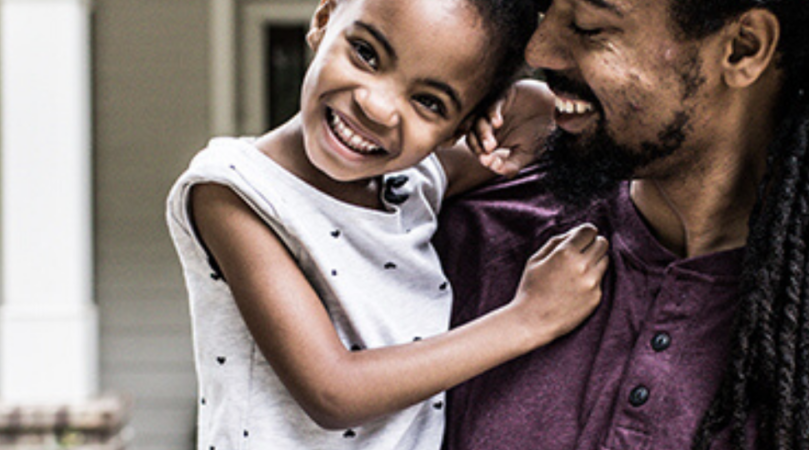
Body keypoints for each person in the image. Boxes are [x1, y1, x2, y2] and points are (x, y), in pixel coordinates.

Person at [435, 0, 809, 449]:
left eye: (591, 26)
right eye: (545, 7)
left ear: (743, 47)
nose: (538, 50)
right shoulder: (469, 231)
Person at [166, 0, 609, 448]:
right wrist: (528, 319)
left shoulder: (411, 183)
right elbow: (332, 392)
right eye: (366, 53)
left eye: (429, 102)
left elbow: (534, 122)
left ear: (459, 128)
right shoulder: (235, 189)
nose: (376, 107)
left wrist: (502, 112)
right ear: (323, 19)